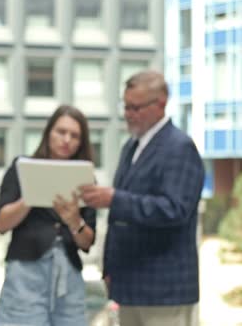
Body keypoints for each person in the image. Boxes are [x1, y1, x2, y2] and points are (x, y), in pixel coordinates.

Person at [80, 70, 204, 326]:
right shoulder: (131, 146)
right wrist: (110, 269)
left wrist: (115, 199)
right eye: (126, 107)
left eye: (136, 107)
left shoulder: (179, 147)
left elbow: (175, 210)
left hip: (165, 292)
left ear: (161, 104)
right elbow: (120, 219)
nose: (128, 114)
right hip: (130, 287)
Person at [0, 105, 97, 326]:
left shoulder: (86, 177)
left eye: (75, 135)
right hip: (26, 274)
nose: (66, 139)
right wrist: (30, 196)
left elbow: (88, 242)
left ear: (81, 142)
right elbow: (1, 223)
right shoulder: (22, 168)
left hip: (69, 277)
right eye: (61, 131)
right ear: (49, 132)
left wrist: (73, 220)